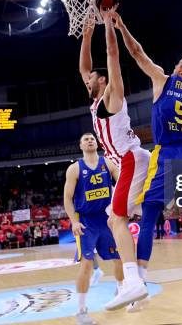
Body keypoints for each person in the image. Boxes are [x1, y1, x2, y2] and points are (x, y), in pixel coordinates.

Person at [110, 10, 182, 315]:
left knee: (149, 217)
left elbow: (136, 53)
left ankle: (141, 288)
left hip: (165, 156)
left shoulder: (163, 80)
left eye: (178, 63)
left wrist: (122, 25)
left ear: (181, 69)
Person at [79, 11, 150, 310]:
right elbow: (83, 67)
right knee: (122, 218)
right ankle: (135, 282)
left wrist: (109, 25)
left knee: (116, 219)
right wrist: (85, 34)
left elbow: (112, 53)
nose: (87, 79)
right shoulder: (96, 101)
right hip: (128, 165)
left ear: (102, 80)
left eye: (92, 78)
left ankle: (133, 282)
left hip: (131, 160)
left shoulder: (111, 97)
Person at [64, 133, 125, 324]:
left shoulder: (108, 164)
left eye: (92, 138)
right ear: (80, 145)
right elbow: (67, 198)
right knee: (87, 264)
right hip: (86, 221)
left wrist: (121, 209)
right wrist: (74, 221)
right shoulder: (74, 169)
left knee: (120, 257)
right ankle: (81, 311)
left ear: (97, 143)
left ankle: (121, 290)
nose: (90, 140)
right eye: (86, 139)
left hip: (107, 219)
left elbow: (123, 184)